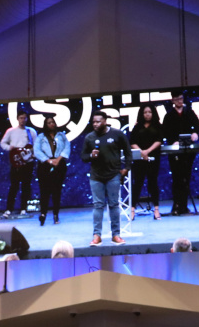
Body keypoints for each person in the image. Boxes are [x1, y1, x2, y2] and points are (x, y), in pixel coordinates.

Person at [80, 110, 130, 246]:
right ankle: (97, 236)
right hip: (96, 177)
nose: (95, 124)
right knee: (98, 205)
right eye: (93, 122)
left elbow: (127, 151)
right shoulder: (89, 137)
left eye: (98, 121)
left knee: (114, 204)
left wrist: (126, 168)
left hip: (113, 175)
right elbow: (83, 157)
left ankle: (116, 235)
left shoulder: (117, 134)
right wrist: (91, 155)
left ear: (105, 121)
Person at [161, 92, 199, 215]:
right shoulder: (169, 115)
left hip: (188, 150)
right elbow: (166, 131)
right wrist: (173, 141)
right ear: (173, 100)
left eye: (181, 98)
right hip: (175, 150)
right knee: (177, 178)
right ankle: (176, 204)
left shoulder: (189, 112)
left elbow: (196, 125)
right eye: (177, 99)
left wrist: (195, 133)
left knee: (186, 177)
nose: (179, 101)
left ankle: (184, 205)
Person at [32, 115, 69, 226]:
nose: (51, 124)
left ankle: (56, 214)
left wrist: (58, 159)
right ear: (45, 125)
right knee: (44, 191)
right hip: (45, 165)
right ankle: (43, 214)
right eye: (49, 123)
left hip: (59, 164)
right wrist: (48, 160)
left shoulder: (61, 135)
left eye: (53, 122)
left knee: (57, 190)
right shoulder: (41, 137)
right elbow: (37, 150)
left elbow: (67, 147)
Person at [128, 104, 164, 221]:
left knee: (153, 182)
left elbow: (159, 140)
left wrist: (147, 151)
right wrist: (141, 152)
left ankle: (156, 209)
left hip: (153, 157)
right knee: (137, 183)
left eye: (149, 112)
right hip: (139, 159)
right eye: (145, 112)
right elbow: (132, 141)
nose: (147, 114)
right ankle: (132, 210)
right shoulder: (137, 126)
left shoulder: (158, 125)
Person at [0, 110, 36, 219]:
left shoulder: (31, 131)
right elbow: (2, 143)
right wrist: (9, 148)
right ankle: (9, 209)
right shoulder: (11, 131)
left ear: (27, 119)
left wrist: (34, 154)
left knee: (26, 186)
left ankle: (23, 209)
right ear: (17, 119)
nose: (23, 120)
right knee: (14, 186)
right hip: (15, 161)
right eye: (21, 118)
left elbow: (36, 145)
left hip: (28, 162)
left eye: (24, 118)